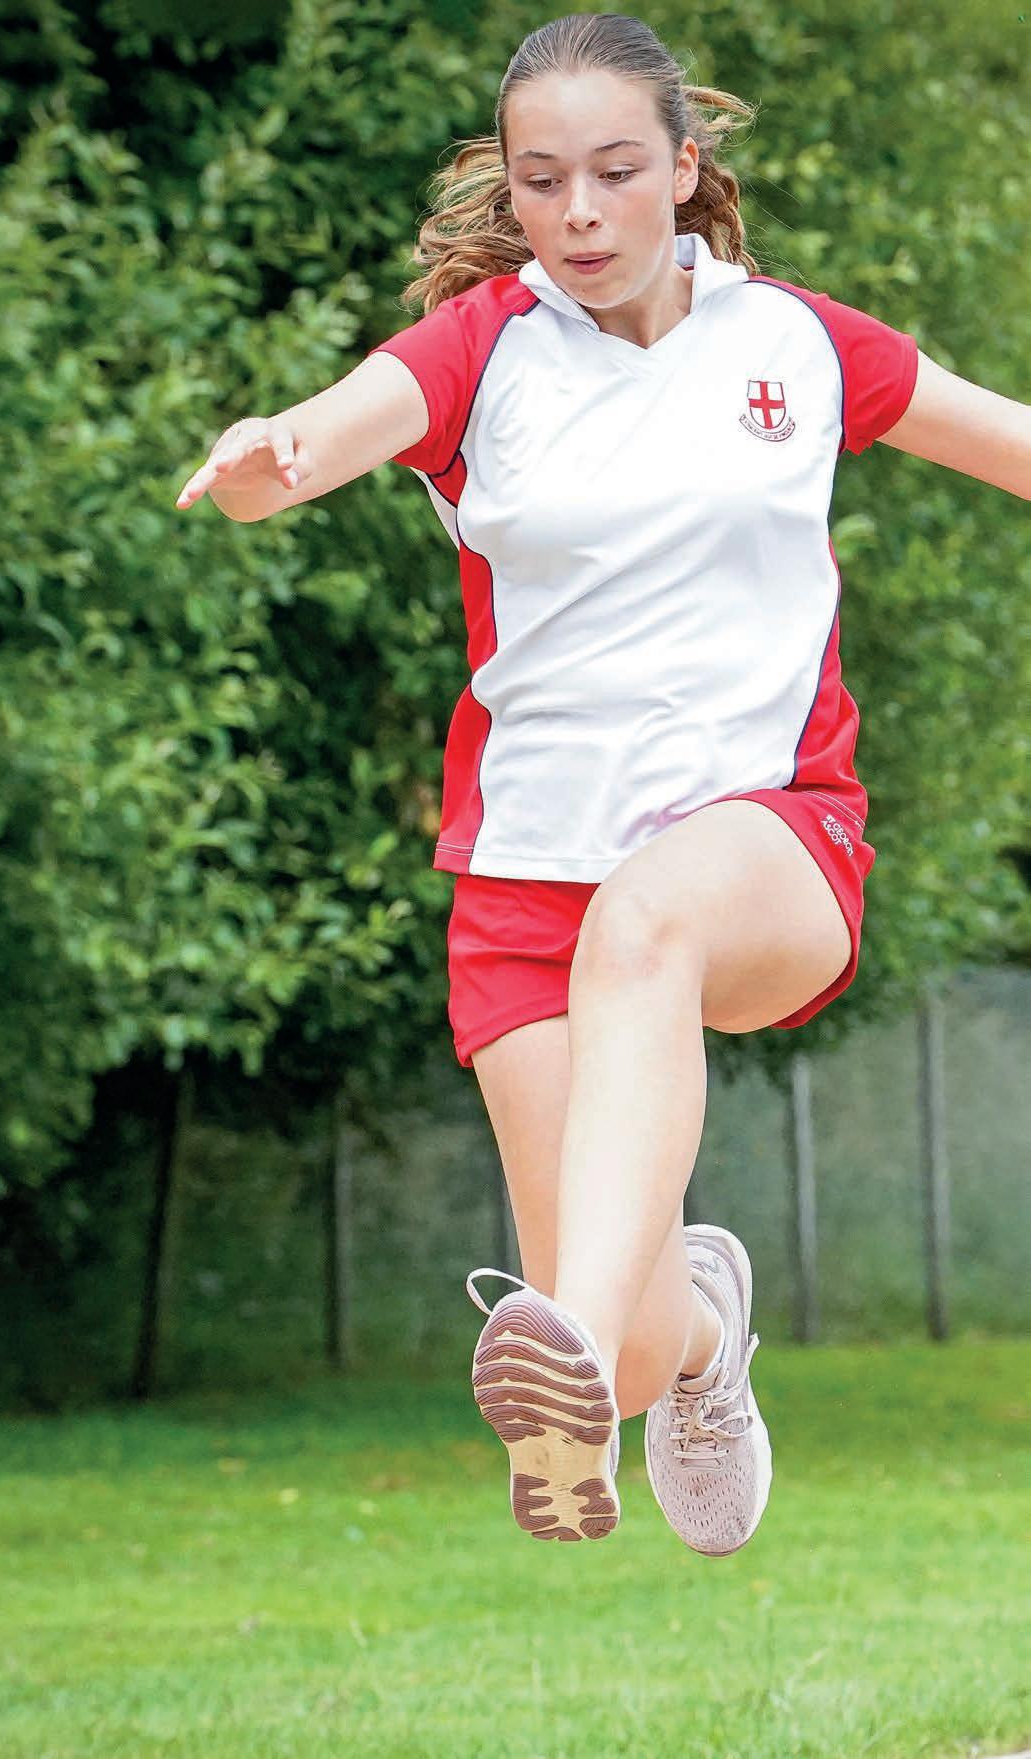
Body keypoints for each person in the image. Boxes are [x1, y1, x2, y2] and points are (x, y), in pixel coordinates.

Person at [176, 14, 1027, 1551]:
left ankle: (568, 1337)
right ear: (510, 189)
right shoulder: (480, 350)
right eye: (541, 181)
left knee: (647, 918)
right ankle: (685, 1342)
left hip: (769, 841)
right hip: (525, 890)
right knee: (620, 1357)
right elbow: (322, 434)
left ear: (683, 169)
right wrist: (265, 458)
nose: (576, 213)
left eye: (616, 172)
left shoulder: (796, 346)